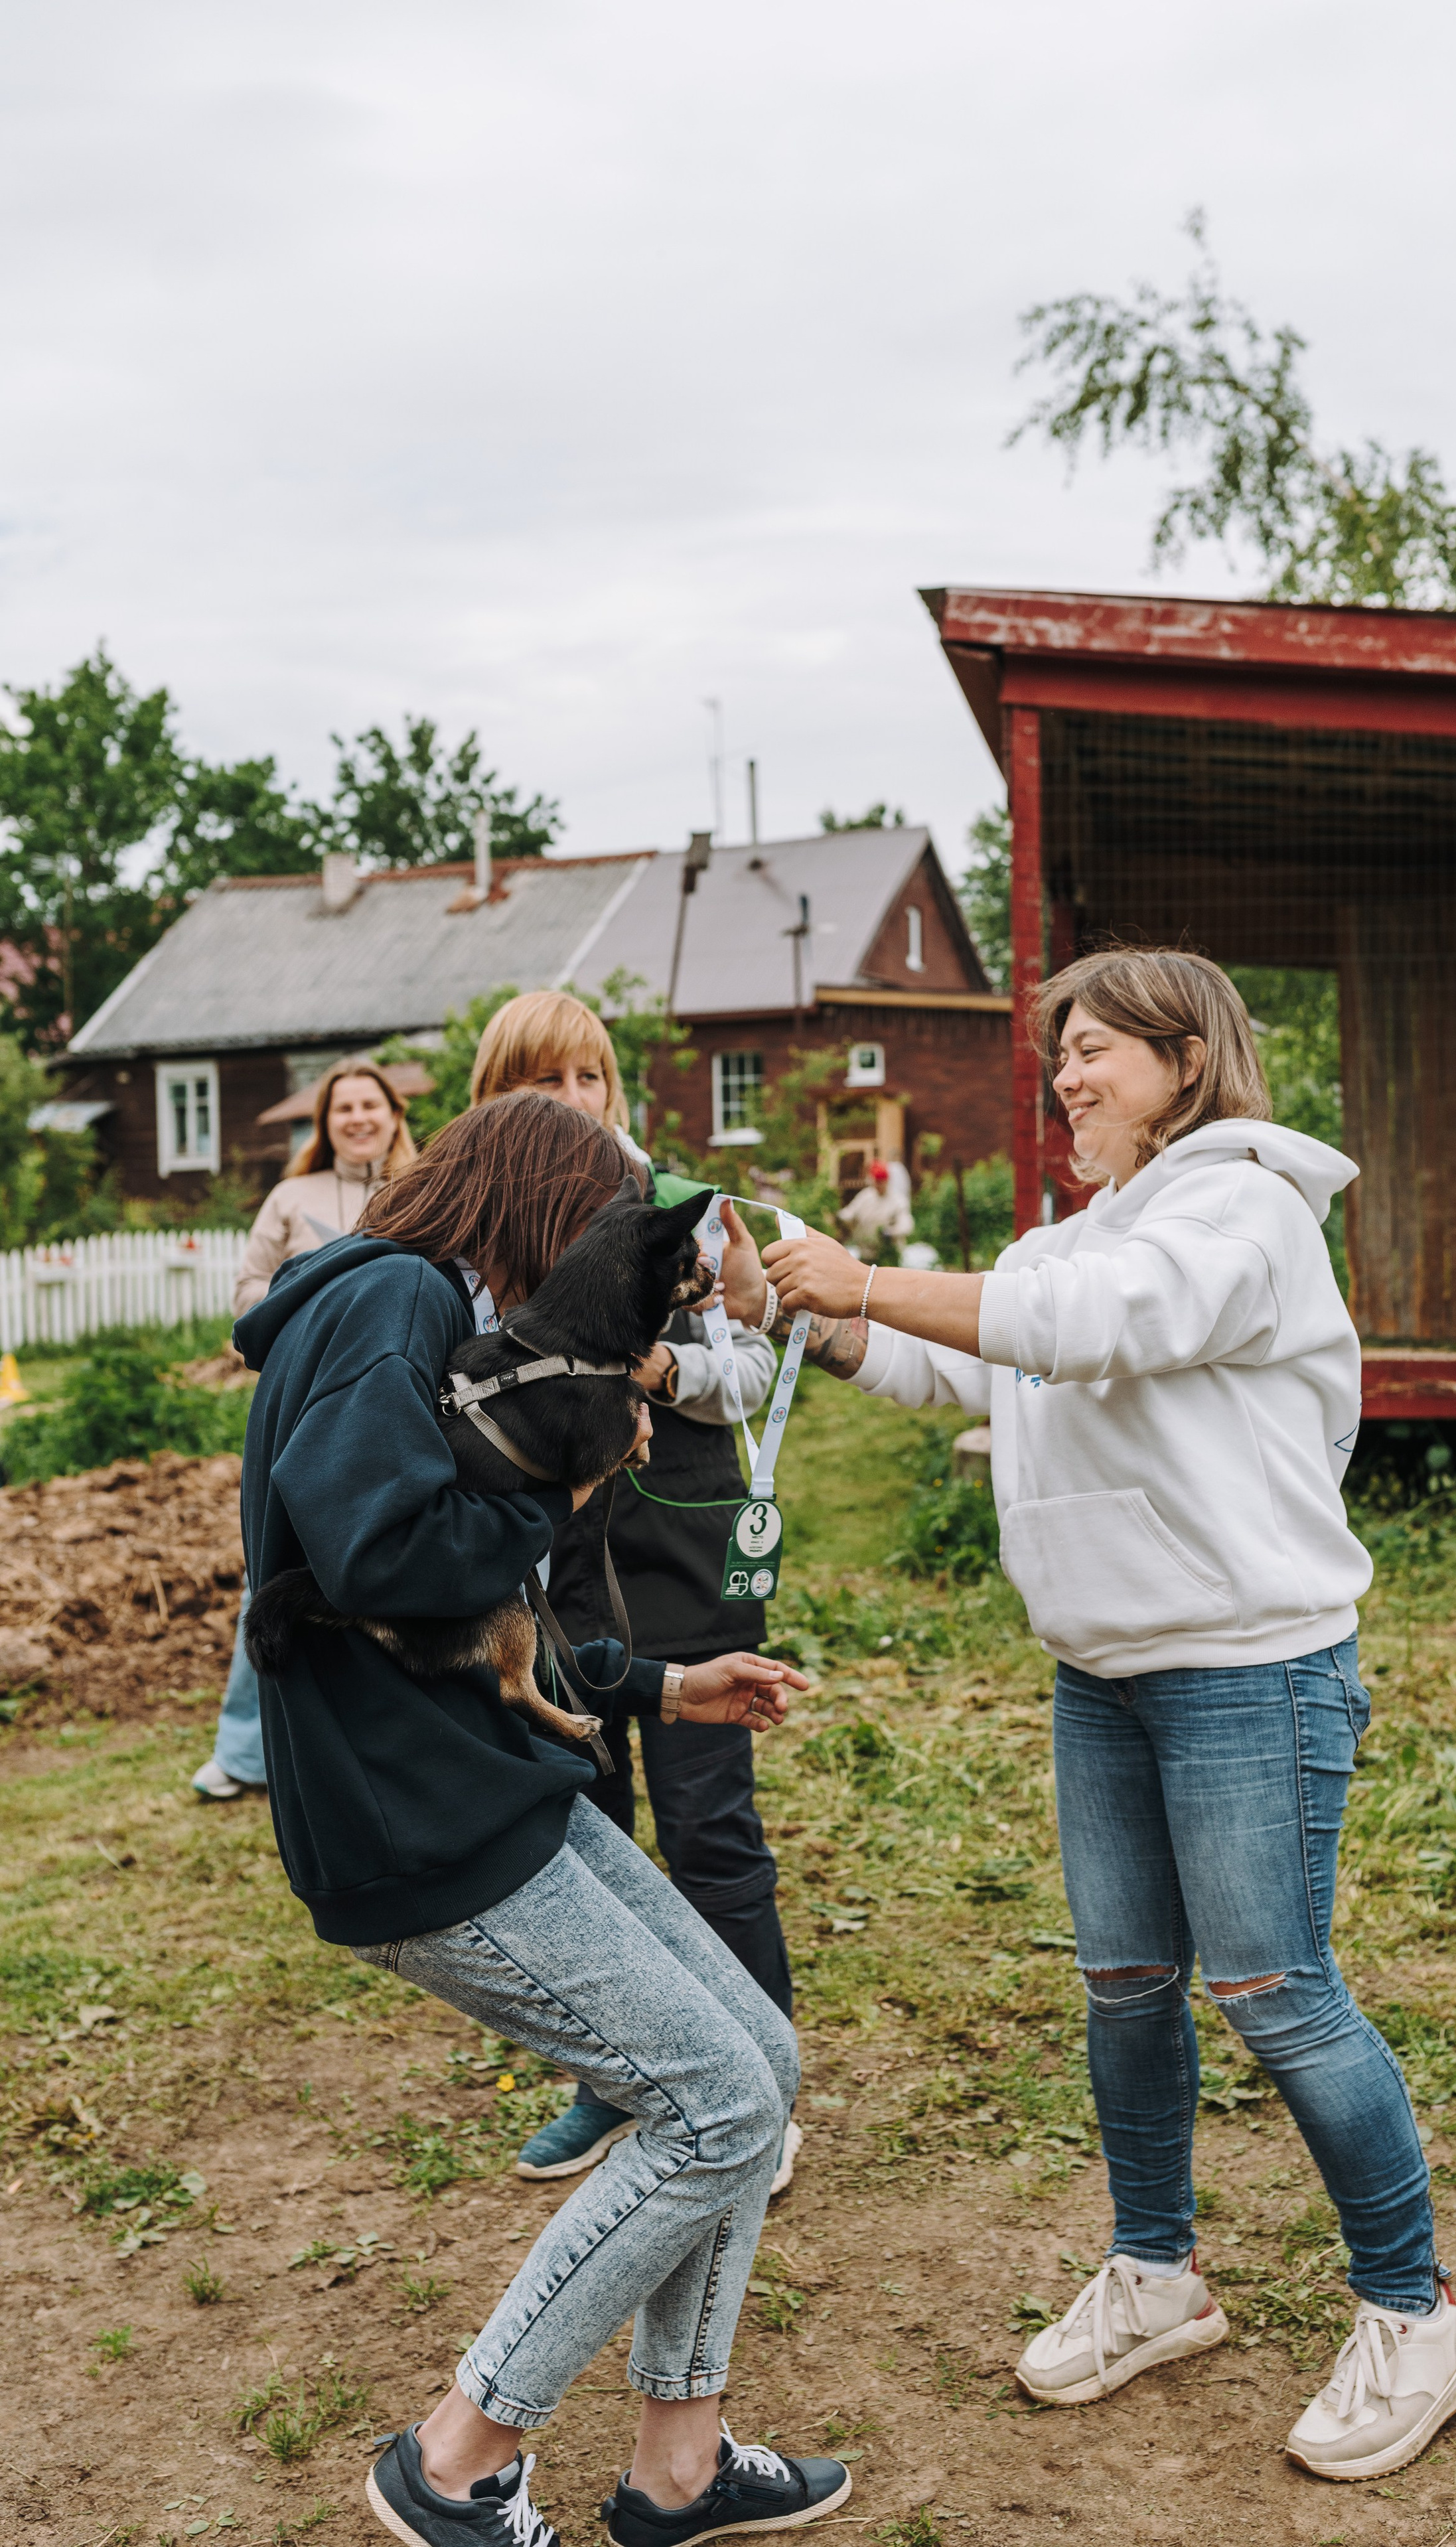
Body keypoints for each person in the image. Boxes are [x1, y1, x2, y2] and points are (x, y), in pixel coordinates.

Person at [721, 946, 1456, 2487]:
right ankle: (1155, 2273)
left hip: (1247, 1667)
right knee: (1126, 1980)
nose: (1065, 1075)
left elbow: (1097, 1320)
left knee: (1273, 1989)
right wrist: (799, 1309)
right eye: (1058, 1052)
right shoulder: (1074, 1236)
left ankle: (1418, 2317)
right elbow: (972, 1365)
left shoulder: (1245, 1210)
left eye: (1097, 1050)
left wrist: (864, 1272)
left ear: (1187, 1062)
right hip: (1105, 1672)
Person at [234, 1092, 851, 2547]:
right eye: (589, 1229)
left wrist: (657, 1679)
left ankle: (677, 2467)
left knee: (754, 2059)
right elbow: (382, 1549)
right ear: (532, 1203)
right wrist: (566, 1486)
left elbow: (475, 1611)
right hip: (417, 1811)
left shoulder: (422, 1309)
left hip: (487, 1769)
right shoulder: (381, 1301)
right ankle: (453, 2459)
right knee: (710, 2105)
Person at [463, 990, 804, 2191]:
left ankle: (765, 2081)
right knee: (591, 1831)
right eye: (540, 1085)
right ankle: (620, 2081)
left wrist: (667, 1367)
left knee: (711, 1830)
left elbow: (755, 1367)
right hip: (555, 1580)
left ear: (616, 1092)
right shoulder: (471, 1246)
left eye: (588, 1081)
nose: (571, 1107)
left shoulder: (684, 1217)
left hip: (682, 1556)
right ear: (493, 1101)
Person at [192, 1058, 416, 1802]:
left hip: (397, 1407)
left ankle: (373, 1743)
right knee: (278, 1569)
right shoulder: (294, 1196)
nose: (357, 1118)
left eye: (370, 1105)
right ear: (324, 1124)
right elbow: (248, 1294)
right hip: (306, 1410)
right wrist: (312, 1295)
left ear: (393, 1114)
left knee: (384, 1567)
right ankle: (245, 1751)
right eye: (342, 1107)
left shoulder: (422, 1188)